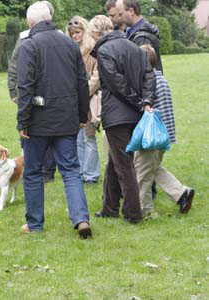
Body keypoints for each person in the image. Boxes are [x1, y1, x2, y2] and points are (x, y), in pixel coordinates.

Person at [17, 2, 92, 238]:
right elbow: (82, 82)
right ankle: (81, 219)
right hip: (67, 118)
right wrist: (82, 115)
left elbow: (25, 86)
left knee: (32, 172)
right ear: (49, 19)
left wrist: (23, 121)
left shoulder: (29, 45)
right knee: (71, 170)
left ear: (31, 23)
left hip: (38, 121)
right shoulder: (70, 44)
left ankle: (35, 224)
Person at [89, 15, 155, 223]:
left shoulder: (105, 51)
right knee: (115, 160)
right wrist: (145, 101)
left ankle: (133, 213)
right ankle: (110, 206)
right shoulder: (135, 47)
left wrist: (139, 101)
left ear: (98, 33)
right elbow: (149, 75)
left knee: (124, 164)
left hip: (118, 114)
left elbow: (115, 82)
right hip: (134, 113)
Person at [133, 45, 194, 219]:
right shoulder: (162, 79)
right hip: (164, 135)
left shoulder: (149, 83)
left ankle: (146, 211)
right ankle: (181, 193)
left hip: (152, 137)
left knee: (143, 173)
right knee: (153, 167)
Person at [8, 0, 57, 182]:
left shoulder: (59, 36)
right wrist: (13, 90)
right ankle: (31, 165)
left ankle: (48, 171)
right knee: (27, 129)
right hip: (26, 93)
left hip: (51, 94)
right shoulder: (23, 38)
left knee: (51, 132)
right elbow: (14, 64)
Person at [66, 16, 101, 184]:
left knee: (89, 137)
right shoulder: (70, 50)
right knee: (77, 138)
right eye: (72, 33)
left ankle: (91, 174)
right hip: (74, 100)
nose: (75, 36)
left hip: (88, 99)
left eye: (78, 32)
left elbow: (97, 75)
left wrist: (84, 91)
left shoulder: (93, 50)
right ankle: (80, 171)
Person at [116, 0, 163, 72]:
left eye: (120, 14)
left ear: (131, 11)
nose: (119, 18)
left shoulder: (142, 38)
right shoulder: (133, 33)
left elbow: (143, 71)